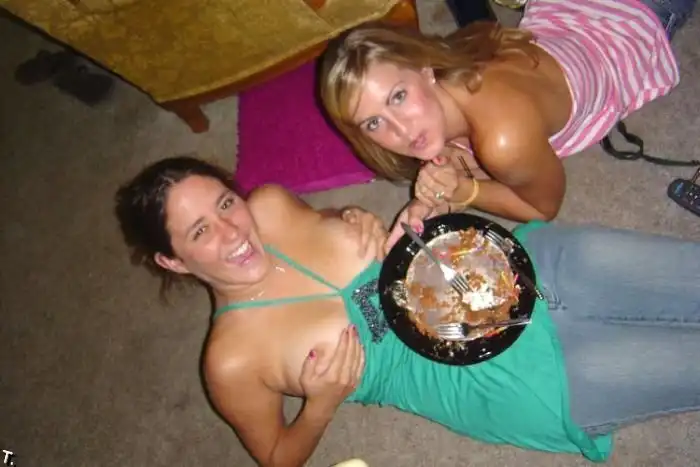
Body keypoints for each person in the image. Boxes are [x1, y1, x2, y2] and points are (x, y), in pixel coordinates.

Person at [115, 156, 700, 467]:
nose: (233, 232)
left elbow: (330, 219)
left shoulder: (269, 205)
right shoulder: (231, 361)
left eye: (225, 203)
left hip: (508, 269)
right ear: (174, 261)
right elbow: (275, 456)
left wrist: (354, 217)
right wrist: (320, 405)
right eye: (200, 232)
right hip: (500, 379)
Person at [319, 0, 697, 239]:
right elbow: (460, 152)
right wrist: (431, 198)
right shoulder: (452, 65)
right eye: (373, 123)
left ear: (424, 70)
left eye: (398, 97)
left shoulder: (504, 141)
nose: (400, 130)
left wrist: (464, 192)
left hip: (638, 13)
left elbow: (543, 207)